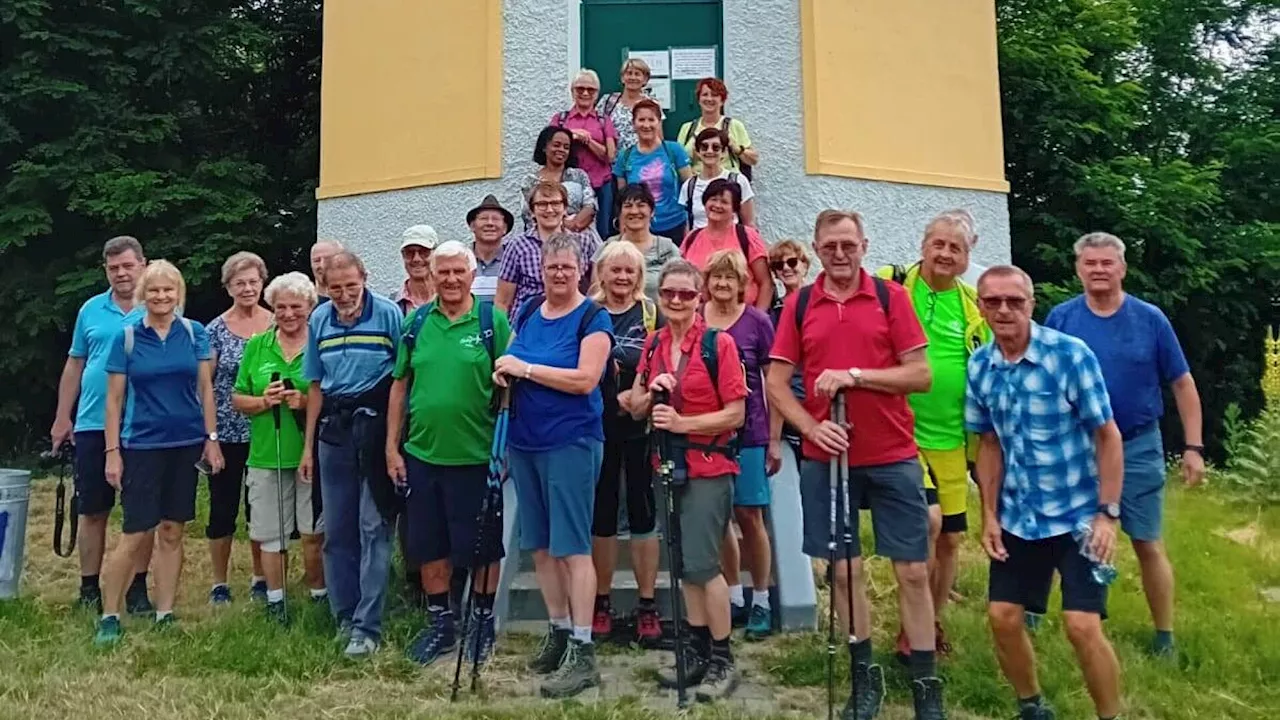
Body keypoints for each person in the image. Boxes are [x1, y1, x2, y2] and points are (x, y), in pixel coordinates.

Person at [767, 210, 945, 719]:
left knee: (911, 570)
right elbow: (777, 382)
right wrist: (809, 426)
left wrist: (856, 376)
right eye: (830, 246)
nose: (839, 254)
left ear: (864, 244)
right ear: (817, 249)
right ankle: (865, 679)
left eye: (848, 244)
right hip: (828, 457)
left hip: (892, 454)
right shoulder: (801, 304)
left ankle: (926, 687)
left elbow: (920, 375)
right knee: (844, 572)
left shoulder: (892, 298)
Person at [966, 265, 1124, 720]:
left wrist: (1107, 514)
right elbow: (989, 444)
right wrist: (990, 515)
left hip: (1078, 515)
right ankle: (1031, 706)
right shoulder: (980, 366)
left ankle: (1110, 715)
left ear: (1031, 305)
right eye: (993, 301)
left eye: (1014, 301)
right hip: (1020, 514)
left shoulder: (1070, 356)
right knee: (1002, 617)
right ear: (980, 307)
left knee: (1081, 626)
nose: (1004, 310)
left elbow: (1108, 436)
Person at [1044, 232, 1205, 657]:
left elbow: (1182, 383)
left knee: (1147, 542)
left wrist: (1194, 447)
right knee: (1065, 536)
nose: (1098, 270)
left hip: (1137, 446)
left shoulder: (1150, 319)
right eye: (1090, 263)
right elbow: (1039, 379)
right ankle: (1057, 612)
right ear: (1078, 269)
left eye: (1107, 263)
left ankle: (1165, 635)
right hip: (1076, 447)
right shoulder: (1061, 319)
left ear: (1122, 268)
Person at [493, 233, 614, 699]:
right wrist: (504, 370)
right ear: (540, 270)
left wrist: (524, 370)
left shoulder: (592, 317)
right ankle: (559, 631)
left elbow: (585, 380)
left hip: (571, 442)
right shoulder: (526, 312)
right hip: (525, 442)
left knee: (572, 547)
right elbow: (514, 358)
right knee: (540, 547)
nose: (558, 274)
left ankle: (583, 653)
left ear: (581, 268)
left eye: (566, 266)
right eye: (550, 268)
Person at [386, 241, 512, 667]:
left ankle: (481, 620)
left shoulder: (491, 322)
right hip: (422, 454)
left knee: (482, 547)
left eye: (459, 271)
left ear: (473, 275)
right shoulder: (417, 322)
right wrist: (392, 448)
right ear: (432, 276)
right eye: (444, 272)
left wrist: (505, 448)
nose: (452, 279)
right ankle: (441, 623)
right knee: (429, 545)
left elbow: (510, 387)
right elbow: (399, 385)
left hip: (477, 457)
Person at [629, 259, 748, 701]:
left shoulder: (720, 345)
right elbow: (637, 404)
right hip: (664, 467)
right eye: (668, 294)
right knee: (681, 566)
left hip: (708, 468)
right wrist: (649, 391)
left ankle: (722, 657)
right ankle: (695, 650)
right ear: (660, 299)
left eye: (685, 294)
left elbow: (735, 414)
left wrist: (682, 423)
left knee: (702, 565)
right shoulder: (654, 342)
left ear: (699, 298)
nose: (676, 300)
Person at [875, 213, 990, 659]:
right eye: (937, 244)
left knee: (951, 540)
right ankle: (913, 627)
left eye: (954, 249)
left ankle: (932, 621)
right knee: (927, 522)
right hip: (903, 433)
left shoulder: (973, 304)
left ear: (966, 258)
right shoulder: (894, 284)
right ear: (923, 245)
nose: (944, 254)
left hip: (954, 439)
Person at [94, 260, 224, 646]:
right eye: (154, 290)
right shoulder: (128, 337)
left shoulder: (194, 333)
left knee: (172, 530)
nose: (161, 296)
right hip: (142, 445)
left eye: (169, 290)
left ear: (178, 294)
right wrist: (112, 452)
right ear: (143, 295)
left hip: (185, 444)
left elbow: (205, 390)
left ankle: (165, 612)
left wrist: (211, 438)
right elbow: (114, 401)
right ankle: (110, 615)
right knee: (134, 533)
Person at [298, 251, 403, 658]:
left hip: (375, 427)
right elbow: (315, 386)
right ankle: (344, 615)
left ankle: (368, 624)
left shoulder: (389, 315)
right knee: (337, 530)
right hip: (334, 432)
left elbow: (401, 380)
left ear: (365, 277)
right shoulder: (319, 320)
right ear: (324, 286)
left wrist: (394, 443)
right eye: (335, 287)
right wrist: (308, 446)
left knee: (374, 527)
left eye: (351, 286)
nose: (343, 295)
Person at [50, 236, 154, 615]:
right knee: (92, 509)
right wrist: (64, 416)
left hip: (143, 423)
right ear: (105, 270)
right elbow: (76, 363)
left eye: (128, 265)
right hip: (93, 421)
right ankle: (89, 587)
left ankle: (137, 588)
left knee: (141, 512)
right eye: (114, 268)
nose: (121, 274)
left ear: (143, 264)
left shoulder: (157, 306)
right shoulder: (91, 309)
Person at [232, 272, 328, 623]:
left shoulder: (320, 341)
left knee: (313, 531)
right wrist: (262, 401)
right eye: (281, 307)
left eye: (296, 307)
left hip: (310, 453)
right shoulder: (258, 345)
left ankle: (319, 593)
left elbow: (330, 394)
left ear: (310, 307)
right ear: (272, 308)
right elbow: (237, 397)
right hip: (266, 451)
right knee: (271, 533)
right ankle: (276, 600)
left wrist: (303, 401)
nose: (289, 314)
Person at [699, 250, 778, 640]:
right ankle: (732, 594)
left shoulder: (757, 322)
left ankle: (761, 597)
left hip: (749, 433)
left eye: (730, 278)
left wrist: (775, 440)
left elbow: (773, 383)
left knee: (750, 516)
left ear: (742, 283)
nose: (723, 285)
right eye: (716, 277)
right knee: (720, 518)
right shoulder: (697, 321)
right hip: (707, 435)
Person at [587, 242, 662, 643]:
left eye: (629, 271)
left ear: (638, 275)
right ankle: (601, 601)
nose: (622, 277)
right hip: (595, 426)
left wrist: (641, 396)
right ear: (601, 272)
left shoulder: (651, 312)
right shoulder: (588, 312)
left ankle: (646, 605)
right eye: (614, 270)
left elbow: (664, 360)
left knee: (641, 512)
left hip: (639, 425)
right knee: (602, 515)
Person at [204, 252, 273, 605]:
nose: (247, 288)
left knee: (259, 509)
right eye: (239, 283)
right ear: (228, 286)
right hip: (227, 433)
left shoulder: (278, 323)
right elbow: (204, 388)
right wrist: (210, 438)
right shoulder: (214, 330)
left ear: (262, 283)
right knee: (222, 507)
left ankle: (261, 577)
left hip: (267, 431)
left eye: (253, 281)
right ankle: (219, 583)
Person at [495, 180, 602, 317]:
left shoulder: (583, 242)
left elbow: (596, 289)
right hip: (527, 323)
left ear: (565, 209)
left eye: (556, 203)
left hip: (570, 322)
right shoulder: (518, 246)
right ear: (532, 211)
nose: (549, 209)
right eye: (542, 204)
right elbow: (502, 301)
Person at [680, 179, 773, 311]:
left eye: (724, 202)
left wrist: (758, 320)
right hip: (700, 319)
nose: (717, 205)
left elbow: (766, 283)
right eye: (713, 199)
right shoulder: (692, 238)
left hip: (742, 318)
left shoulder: (747, 236)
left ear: (734, 208)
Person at [613, 98, 692, 244]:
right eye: (641, 120)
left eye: (651, 120)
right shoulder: (625, 156)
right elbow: (622, 199)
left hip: (674, 225)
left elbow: (690, 190)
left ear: (659, 123)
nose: (646, 125)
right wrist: (623, 228)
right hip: (638, 228)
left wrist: (689, 225)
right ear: (633, 124)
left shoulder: (674, 150)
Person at [553, 69, 618, 239]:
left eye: (591, 89)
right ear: (572, 91)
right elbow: (551, 148)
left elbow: (610, 156)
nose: (585, 93)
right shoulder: (560, 120)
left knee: (603, 232)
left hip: (601, 185)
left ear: (597, 94)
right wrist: (572, 134)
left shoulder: (604, 121)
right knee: (566, 229)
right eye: (580, 88)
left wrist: (587, 141)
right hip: (569, 185)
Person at [767, 240, 811, 462]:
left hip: (821, 404)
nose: (786, 268)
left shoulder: (820, 303)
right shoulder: (774, 313)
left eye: (792, 261)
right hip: (789, 407)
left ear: (805, 265)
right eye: (778, 264)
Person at [601, 184, 681, 303]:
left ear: (652, 211)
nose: (634, 211)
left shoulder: (668, 249)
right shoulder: (608, 248)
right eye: (628, 206)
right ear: (620, 212)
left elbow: (679, 290)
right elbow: (597, 290)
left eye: (641, 205)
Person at [520, 125, 600, 245]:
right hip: (541, 241)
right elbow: (528, 214)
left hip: (580, 238)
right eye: (556, 145)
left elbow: (591, 206)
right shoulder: (530, 181)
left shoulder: (578, 175)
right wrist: (560, 225)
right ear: (544, 148)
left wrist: (573, 225)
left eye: (566, 147)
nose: (561, 150)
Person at [676, 78, 758, 177]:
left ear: (722, 101)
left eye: (714, 95)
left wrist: (735, 148)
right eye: (705, 94)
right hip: (698, 185)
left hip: (728, 186)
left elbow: (753, 160)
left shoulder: (734, 125)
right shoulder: (687, 128)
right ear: (699, 99)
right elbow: (677, 162)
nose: (709, 99)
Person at [679, 127, 755, 230]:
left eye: (716, 147)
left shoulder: (738, 181)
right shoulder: (688, 186)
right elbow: (687, 227)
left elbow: (749, 224)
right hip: (699, 243)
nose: (709, 151)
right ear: (697, 152)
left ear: (724, 152)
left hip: (731, 243)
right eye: (704, 147)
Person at [597, 58, 655, 154]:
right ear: (622, 78)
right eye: (629, 73)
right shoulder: (608, 101)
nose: (633, 77)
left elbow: (658, 136)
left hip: (642, 161)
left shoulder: (652, 104)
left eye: (637, 74)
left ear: (645, 80)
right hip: (612, 162)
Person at [467, 194, 515, 302]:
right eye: (484, 218)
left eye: (496, 219)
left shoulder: (514, 261)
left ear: (505, 228)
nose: (490, 223)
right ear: (472, 226)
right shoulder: (463, 259)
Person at [394, 225, 438, 313]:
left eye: (423, 252)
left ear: (436, 254)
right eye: (409, 252)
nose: (416, 259)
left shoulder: (450, 297)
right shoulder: (393, 305)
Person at [310, 239, 344, 303]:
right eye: (316, 260)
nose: (322, 265)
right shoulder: (305, 305)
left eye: (328, 259)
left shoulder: (357, 304)